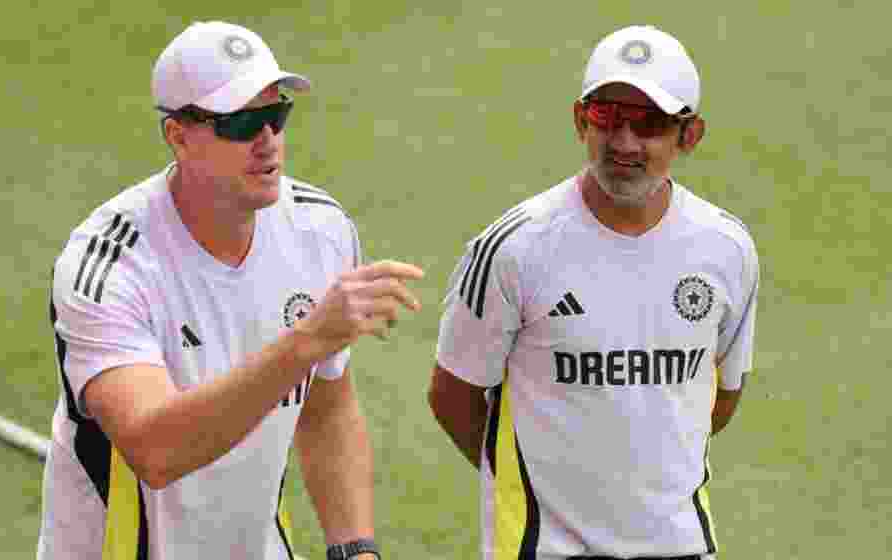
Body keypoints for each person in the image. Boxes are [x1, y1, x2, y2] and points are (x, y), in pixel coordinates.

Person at [37, 21, 422, 560]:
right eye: (241, 123)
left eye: (276, 114)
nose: (268, 141)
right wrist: (307, 341)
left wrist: (354, 547)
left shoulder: (320, 231)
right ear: (178, 136)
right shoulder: (110, 266)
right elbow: (156, 450)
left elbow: (327, 410)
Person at [428, 25, 758, 560]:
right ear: (581, 120)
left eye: (649, 124)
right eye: (608, 117)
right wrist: (533, 488)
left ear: (689, 136)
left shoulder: (727, 249)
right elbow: (453, 394)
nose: (625, 142)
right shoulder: (514, 249)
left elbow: (720, 396)